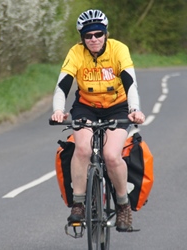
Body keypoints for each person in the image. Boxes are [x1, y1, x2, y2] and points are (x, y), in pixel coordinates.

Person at [51, 9, 145, 232]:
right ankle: (79, 204)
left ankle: (123, 206)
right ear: (82, 38)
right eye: (88, 36)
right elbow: (62, 86)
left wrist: (135, 109)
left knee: (112, 155)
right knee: (82, 149)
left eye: (98, 34)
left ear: (106, 34)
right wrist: (58, 110)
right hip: (86, 107)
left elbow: (130, 83)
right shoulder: (76, 53)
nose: (93, 39)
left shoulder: (118, 50)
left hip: (118, 107)